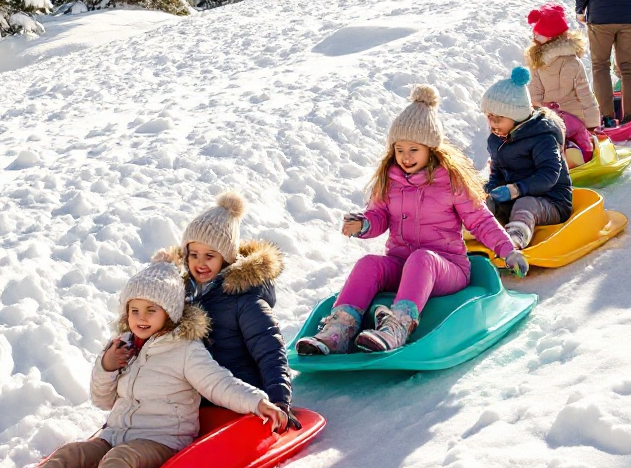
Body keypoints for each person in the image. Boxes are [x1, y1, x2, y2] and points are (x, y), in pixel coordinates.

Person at [0, 261, 287, 468]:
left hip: (162, 440)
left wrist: (259, 401)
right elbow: (102, 400)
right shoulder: (124, 347)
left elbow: (219, 384)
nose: (141, 318)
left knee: (120, 458)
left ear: (169, 313)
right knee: (72, 453)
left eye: (151, 310)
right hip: (116, 432)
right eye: (134, 310)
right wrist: (107, 367)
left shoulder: (186, 350)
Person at [294, 84, 521, 355]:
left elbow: (480, 221)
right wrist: (364, 224)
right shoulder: (390, 181)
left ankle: (398, 326)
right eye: (399, 149)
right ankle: (339, 329)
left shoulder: (450, 181)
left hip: (446, 268)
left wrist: (508, 251)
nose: (405, 157)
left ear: (430, 149)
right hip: (402, 265)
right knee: (368, 264)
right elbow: (378, 215)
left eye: (413, 149)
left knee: (422, 258)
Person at [170, 191, 292, 412]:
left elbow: (270, 351)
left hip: (242, 398)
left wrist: (278, 400)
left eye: (210, 256)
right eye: (194, 254)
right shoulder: (184, 294)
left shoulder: (244, 300)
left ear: (226, 258)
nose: (200, 263)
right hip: (198, 401)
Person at [481, 66, 574, 265]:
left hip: (552, 201)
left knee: (526, 205)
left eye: (498, 119)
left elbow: (549, 176)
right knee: (484, 201)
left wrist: (516, 190)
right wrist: (491, 190)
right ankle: (467, 233)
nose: (492, 124)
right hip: (515, 196)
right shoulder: (497, 139)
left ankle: (514, 241)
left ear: (517, 117)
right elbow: (497, 171)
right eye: (489, 117)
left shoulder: (543, 137)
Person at [524, 4, 599, 164]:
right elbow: (585, 94)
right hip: (575, 117)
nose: (534, 36)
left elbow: (534, 93)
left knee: (551, 137)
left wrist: (536, 114)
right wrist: (592, 123)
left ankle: (559, 156)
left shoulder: (538, 61)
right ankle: (584, 155)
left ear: (551, 36)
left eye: (538, 33)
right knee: (581, 136)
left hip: (549, 117)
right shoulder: (573, 61)